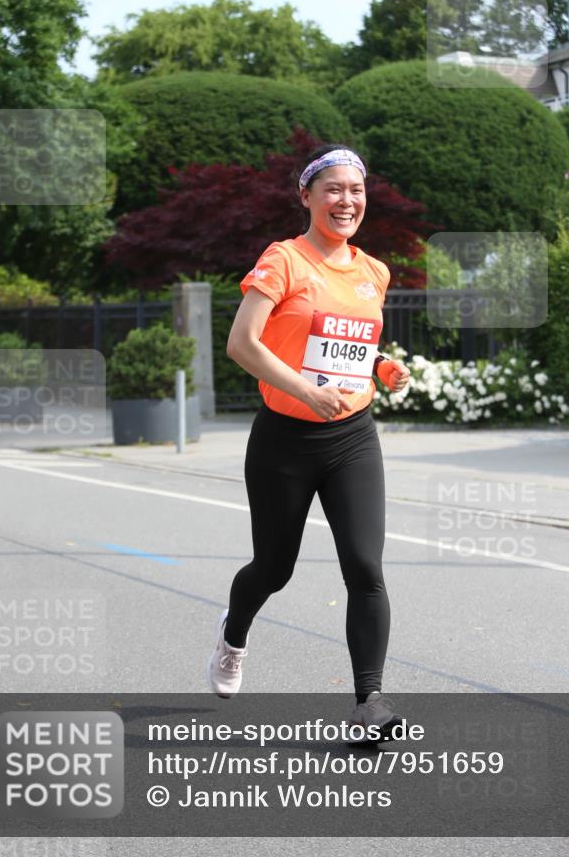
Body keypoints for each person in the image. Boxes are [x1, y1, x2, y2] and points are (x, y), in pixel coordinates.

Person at [206, 143, 411, 738]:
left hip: (352, 437)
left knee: (366, 568)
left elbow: (337, 341)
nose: (347, 201)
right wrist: (305, 390)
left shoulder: (374, 272)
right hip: (285, 442)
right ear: (307, 196)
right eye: (333, 190)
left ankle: (369, 702)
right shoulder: (283, 260)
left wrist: (378, 365)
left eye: (356, 191)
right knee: (273, 568)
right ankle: (234, 633)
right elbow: (244, 344)